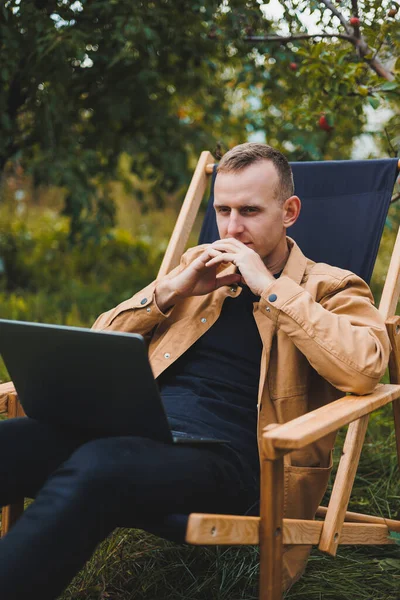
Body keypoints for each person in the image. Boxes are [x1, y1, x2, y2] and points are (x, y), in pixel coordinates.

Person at [0, 143, 390, 599]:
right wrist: (168, 293)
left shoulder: (332, 286)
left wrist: (270, 288)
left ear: (289, 212)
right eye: (222, 210)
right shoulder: (197, 271)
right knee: (11, 443)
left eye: (249, 211)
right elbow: (102, 336)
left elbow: (365, 368)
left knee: (98, 466)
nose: (232, 228)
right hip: (138, 433)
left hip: (237, 463)